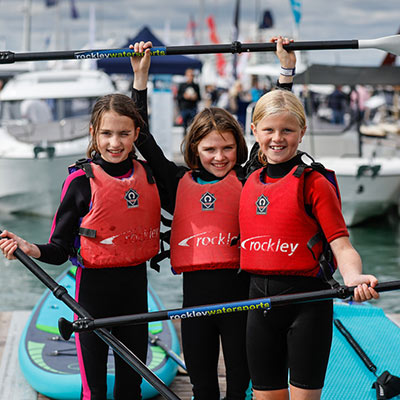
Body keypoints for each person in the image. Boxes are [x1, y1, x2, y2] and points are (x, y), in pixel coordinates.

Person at [129, 36, 296, 400]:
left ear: (238, 146)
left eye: (227, 148)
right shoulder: (176, 183)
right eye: (209, 149)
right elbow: (142, 139)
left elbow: (274, 122)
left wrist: (285, 72)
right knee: (203, 385)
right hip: (196, 305)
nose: (219, 157)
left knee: (239, 384)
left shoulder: (248, 177)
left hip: (242, 303)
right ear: (194, 149)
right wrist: (140, 79)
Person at [0, 93, 163, 400]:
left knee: (132, 387)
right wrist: (28, 247)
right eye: (107, 134)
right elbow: (59, 249)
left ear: (136, 135)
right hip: (91, 295)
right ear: (93, 133)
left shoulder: (148, 174)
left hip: (135, 291)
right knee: (95, 390)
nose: (115, 142)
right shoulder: (80, 182)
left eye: (124, 134)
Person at [239, 89, 380, 400]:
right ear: (254, 131)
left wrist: (353, 278)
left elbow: (342, 246)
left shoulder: (314, 183)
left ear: (302, 133)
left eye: (288, 130)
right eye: (269, 130)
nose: (278, 138)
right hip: (258, 306)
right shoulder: (248, 178)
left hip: (308, 306)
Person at [177, 68, 201, 136]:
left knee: (193, 126)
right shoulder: (182, 85)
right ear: (186, 75)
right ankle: (184, 139)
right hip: (184, 108)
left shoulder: (196, 86)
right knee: (184, 127)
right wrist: (184, 96)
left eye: (192, 75)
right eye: (189, 75)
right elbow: (178, 97)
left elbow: (199, 98)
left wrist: (195, 97)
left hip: (193, 109)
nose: (191, 77)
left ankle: (192, 138)